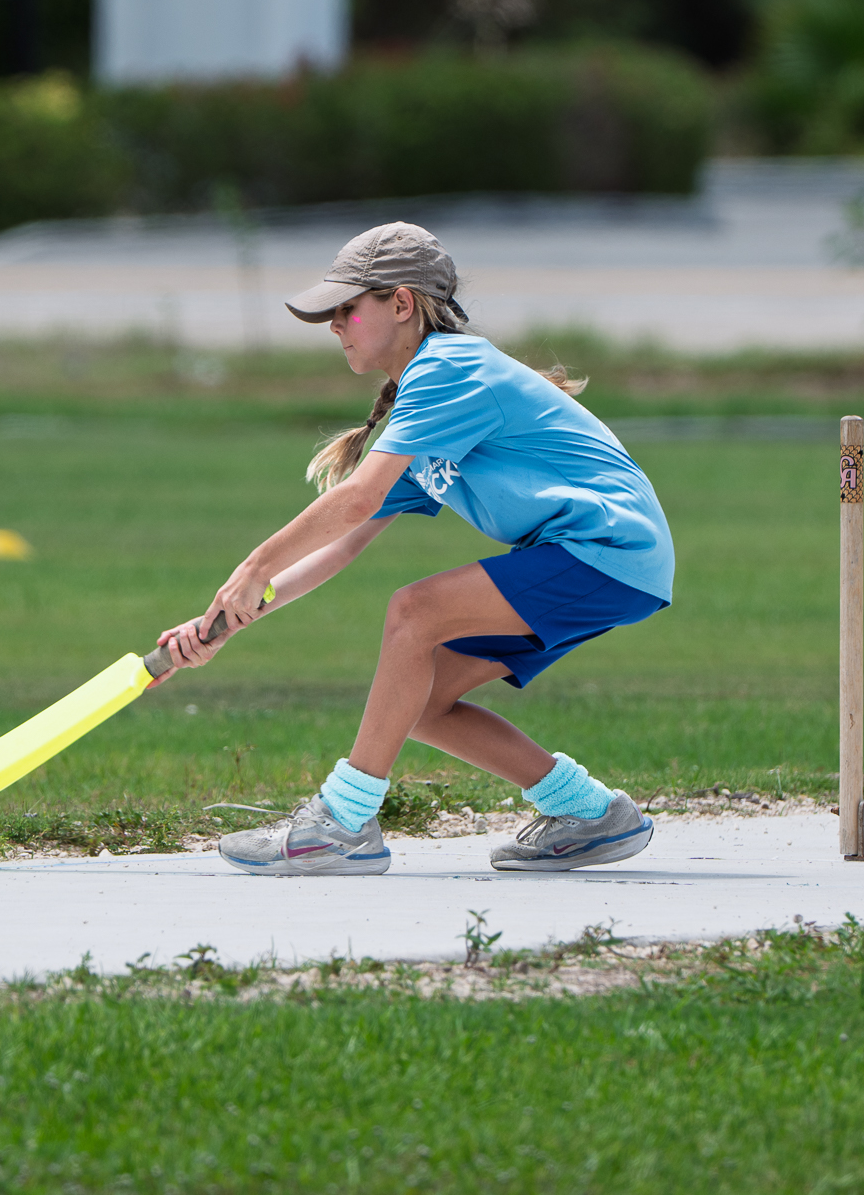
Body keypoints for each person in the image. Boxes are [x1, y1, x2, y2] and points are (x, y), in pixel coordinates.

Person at [152, 221, 674, 874]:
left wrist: (253, 565)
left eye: (347, 307)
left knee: (414, 610)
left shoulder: (450, 369)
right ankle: (591, 814)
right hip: (608, 562)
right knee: (420, 702)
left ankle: (341, 825)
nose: (334, 324)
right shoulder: (421, 408)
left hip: (606, 547)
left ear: (401, 304)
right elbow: (341, 546)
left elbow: (357, 499)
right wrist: (223, 622)